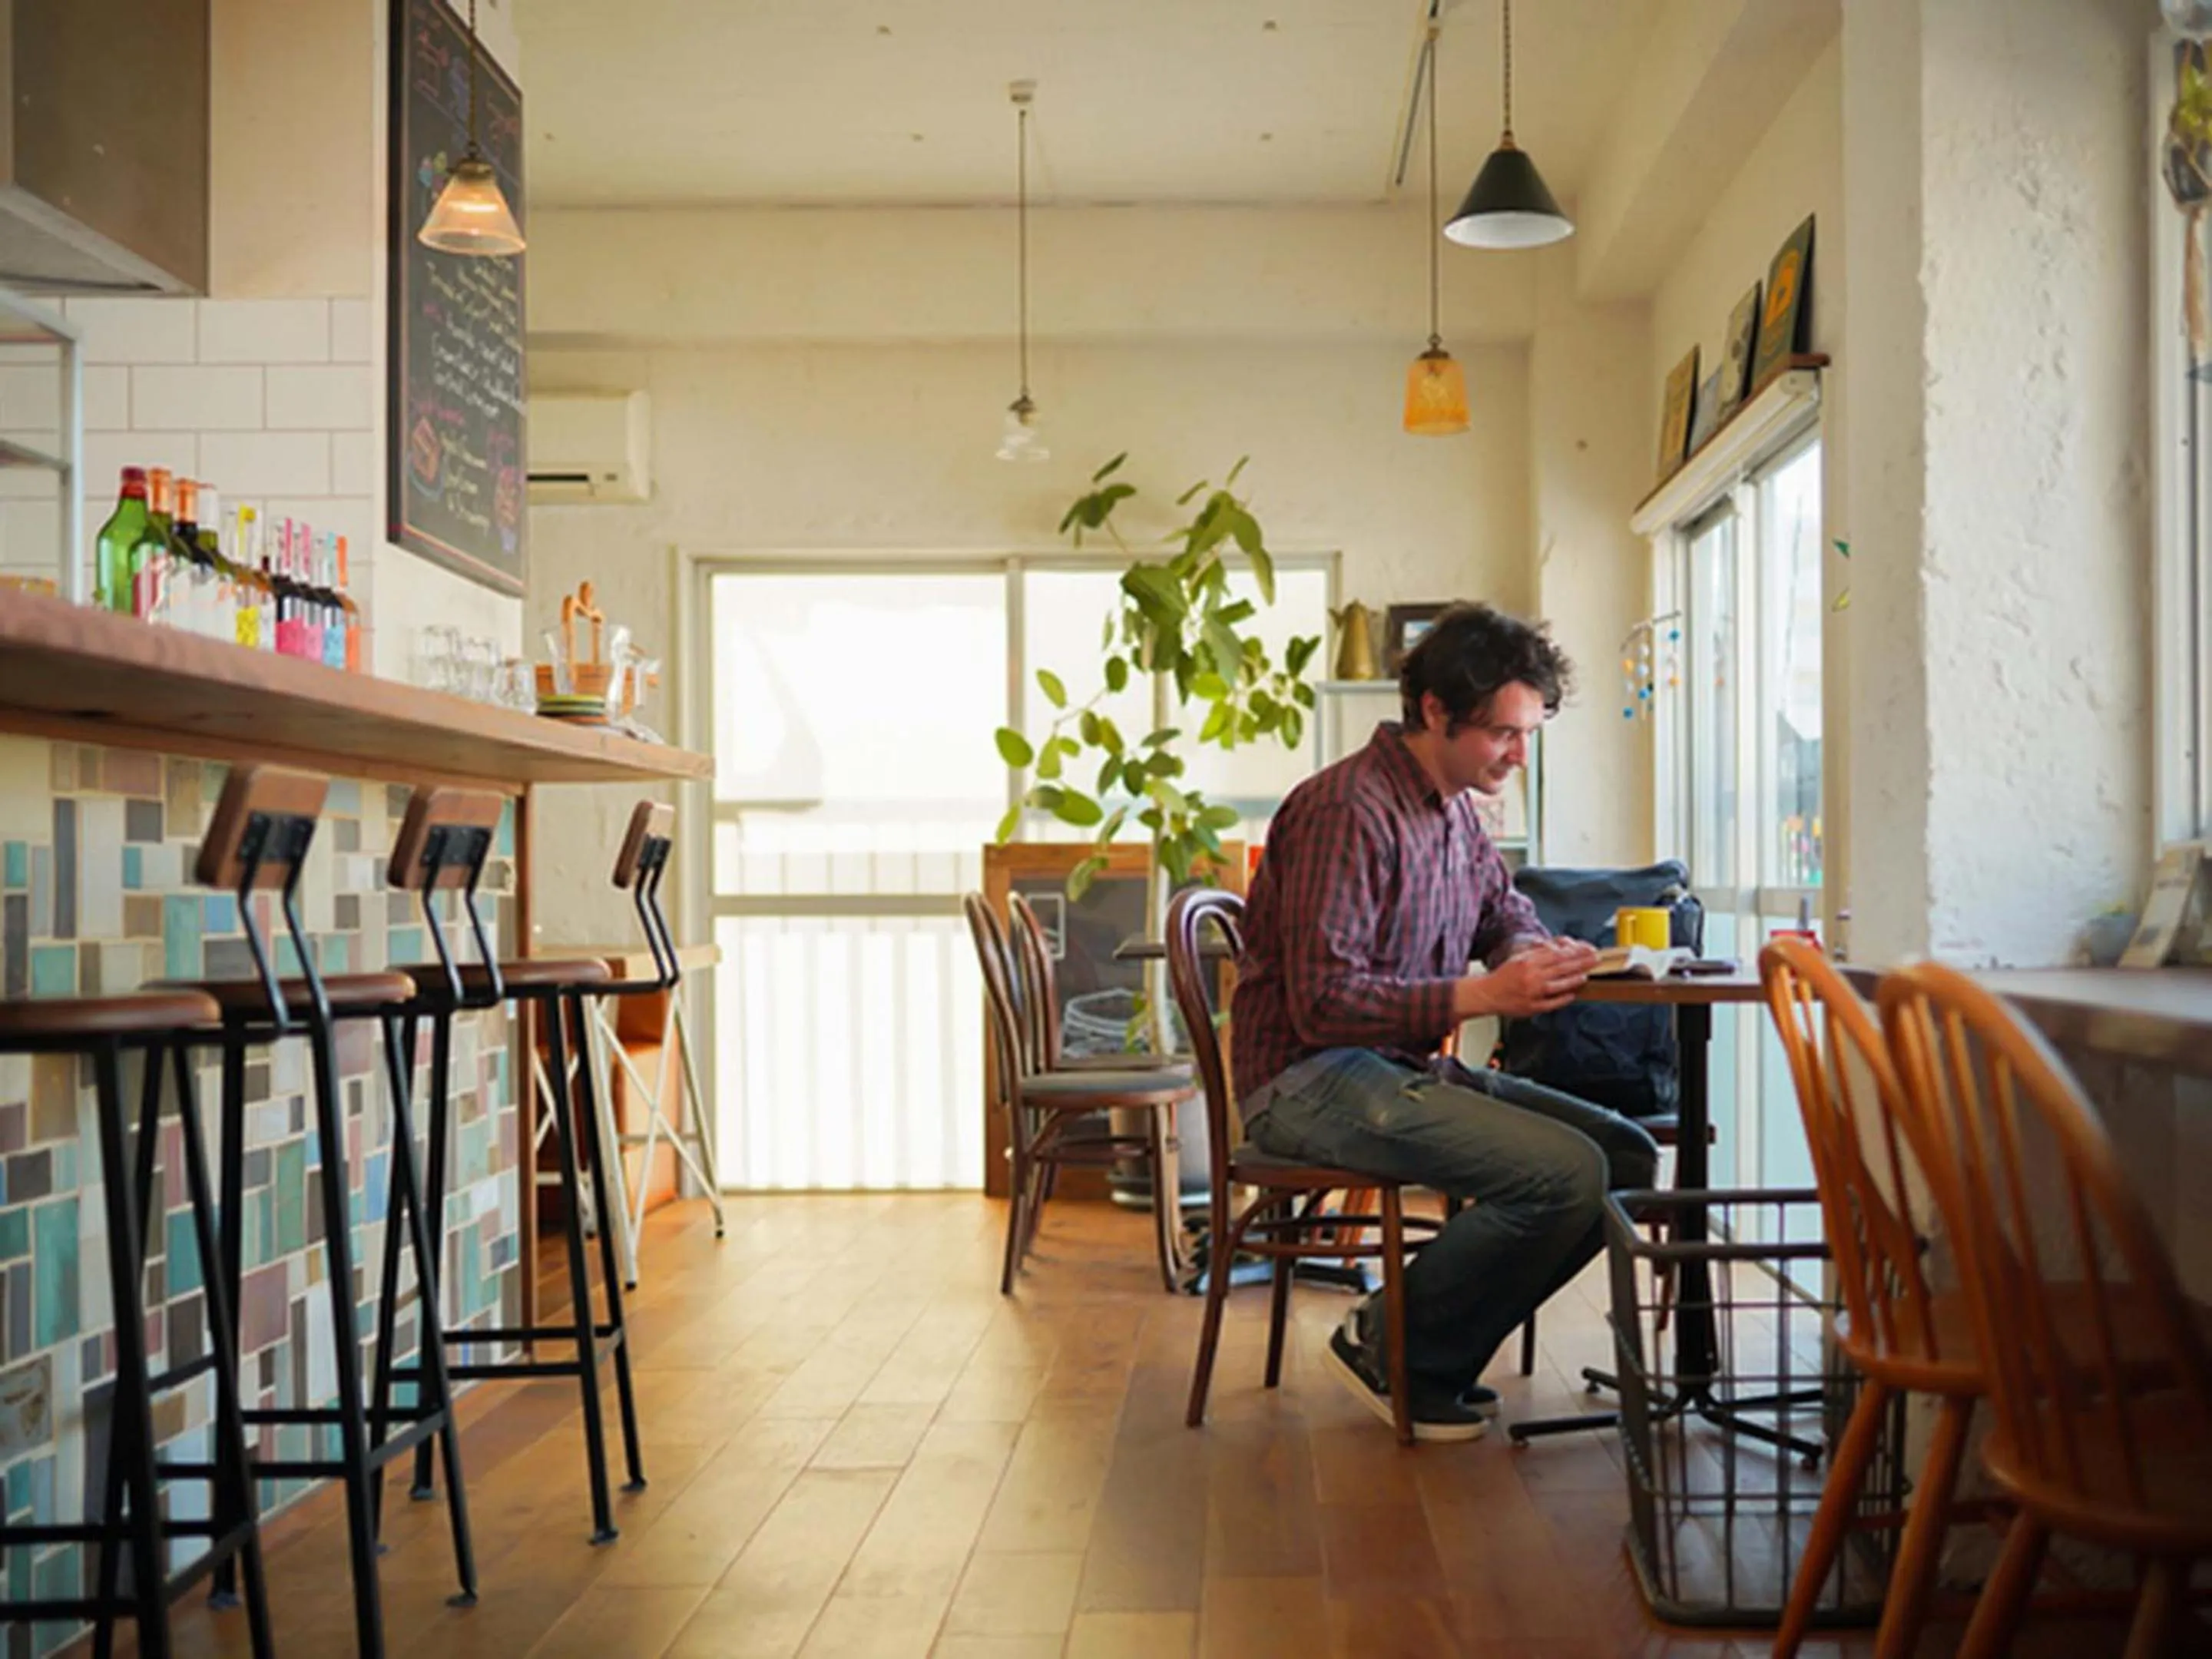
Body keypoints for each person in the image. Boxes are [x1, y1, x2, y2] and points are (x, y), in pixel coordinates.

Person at [1232, 602, 1659, 1441]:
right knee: (1563, 1174)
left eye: (1529, 734)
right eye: (1505, 733)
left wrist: (1537, 953)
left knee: (1625, 1158)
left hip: (1392, 1067)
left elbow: (1502, 911)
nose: (1518, 754)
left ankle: (1420, 1351)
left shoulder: (1459, 810)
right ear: (1436, 711)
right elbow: (1322, 1004)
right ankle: (1391, 1341)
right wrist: (1483, 997)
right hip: (1305, 1078)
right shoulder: (1346, 809)